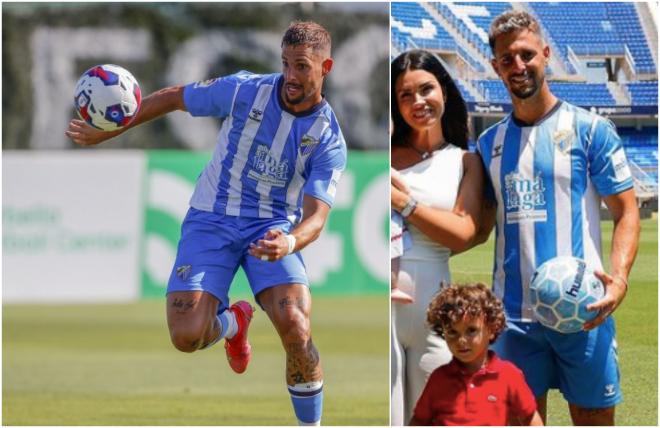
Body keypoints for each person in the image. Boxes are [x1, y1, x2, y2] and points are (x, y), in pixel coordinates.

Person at [66, 21, 346, 426]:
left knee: (297, 329)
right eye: (285, 64)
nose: (290, 76)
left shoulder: (328, 137)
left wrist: (287, 243)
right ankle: (234, 322)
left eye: (301, 66)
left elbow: (317, 218)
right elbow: (176, 97)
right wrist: (110, 131)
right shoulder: (245, 89)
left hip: (270, 230)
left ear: (326, 68)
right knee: (186, 336)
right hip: (211, 219)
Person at [475, 10, 640, 425]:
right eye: (507, 59)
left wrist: (618, 279)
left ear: (546, 54)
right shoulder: (487, 143)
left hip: (585, 310)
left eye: (527, 54)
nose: (519, 66)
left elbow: (626, 210)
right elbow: (474, 226)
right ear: (495, 66)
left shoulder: (591, 130)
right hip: (512, 319)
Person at [390, 49, 485, 425]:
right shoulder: (385, 155)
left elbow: (463, 233)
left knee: (440, 417)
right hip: (385, 303)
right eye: (405, 95)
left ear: (444, 89)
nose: (418, 102)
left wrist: (405, 203)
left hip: (437, 312)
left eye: (426, 89)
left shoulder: (465, 161)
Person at [410, 283, 544, 426]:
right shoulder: (439, 379)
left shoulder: (509, 375)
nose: (461, 340)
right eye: (452, 332)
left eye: (471, 330)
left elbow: (530, 418)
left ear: (492, 329)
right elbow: (419, 420)